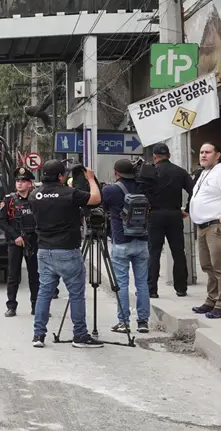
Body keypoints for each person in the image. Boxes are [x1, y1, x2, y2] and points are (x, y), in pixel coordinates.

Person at [30, 160, 103, 348]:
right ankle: (79, 335)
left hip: (44, 251)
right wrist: (91, 179)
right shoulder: (69, 194)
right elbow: (95, 199)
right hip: (67, 251)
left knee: (44, 293)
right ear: (61, 176)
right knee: (76, 294)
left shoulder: (33, 195)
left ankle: (38, 335)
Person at [101, 159, 151, 334]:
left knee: (122, 283)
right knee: (142, 283)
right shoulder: (144, 188)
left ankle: (123, 323)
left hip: (121, 242)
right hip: (143, 240)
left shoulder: (110, 190)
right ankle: (143, 322)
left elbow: (102, 208)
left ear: (116, 173)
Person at [188, 143, 221, 319]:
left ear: (217, 155)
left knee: (220, 267)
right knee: (207, 265)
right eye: (201, 152)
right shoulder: (204, 172)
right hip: (202, 226)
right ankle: (212, 299)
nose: (203, 155)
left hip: (216, 226)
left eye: (208, 152)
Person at [147, 143, 193, 298]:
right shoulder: (180, 172)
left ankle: (152, 289)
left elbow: (140, 193)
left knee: (154, 252)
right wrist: (187, 209)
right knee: (178, 252)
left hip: (154, 215)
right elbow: (194, 191)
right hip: (175, 215)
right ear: (169, 155)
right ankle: (181, 288)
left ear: (154, 156)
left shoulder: (150, 172)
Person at [0, 167, 42, 317]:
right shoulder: (9, 200)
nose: (20, 183)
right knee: (13, 275)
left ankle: (36, 306)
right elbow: (2, 222)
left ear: (30, 184)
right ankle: (11, 306)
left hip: (33, 240)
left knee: (34, 275)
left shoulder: (36, 198)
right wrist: (15, 236)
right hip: (15, 242)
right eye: (18, 181)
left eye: (23, 181)